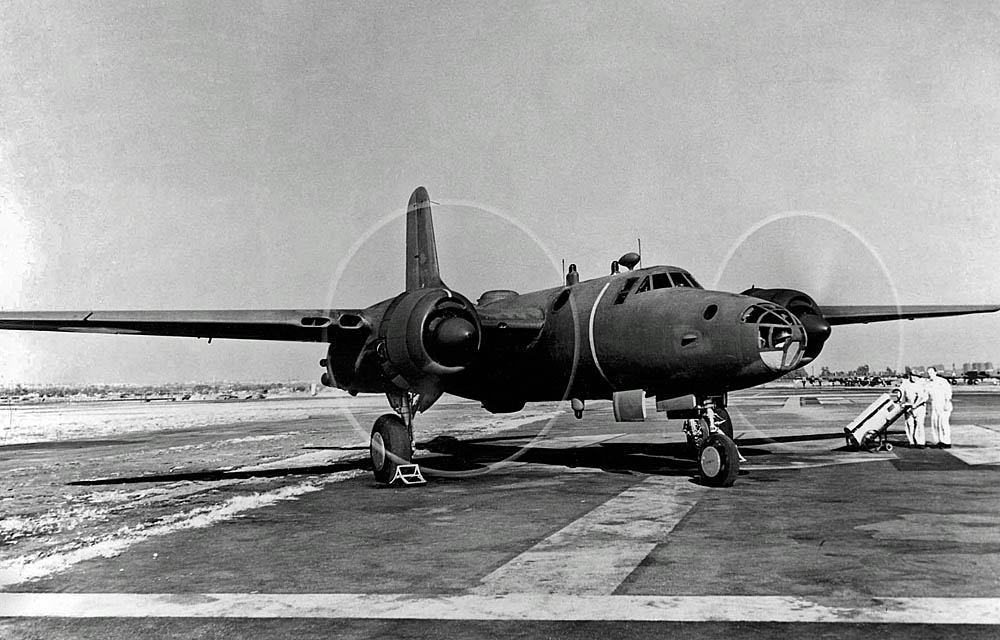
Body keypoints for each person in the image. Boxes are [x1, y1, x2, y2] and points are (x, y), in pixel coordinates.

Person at [925, 367, 953, 448]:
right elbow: (926, 394)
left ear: (936, 372)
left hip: (943, 404)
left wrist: (947, 402)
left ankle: (946, 442)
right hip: (935, 404)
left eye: (932, 373)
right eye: (929, 373)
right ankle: (938, 441)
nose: (930, 375)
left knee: (943, 424)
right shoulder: (929, 383)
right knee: (935, 424)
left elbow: (948, 392)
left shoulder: (942, 381)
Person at [898, 372, 928, 448]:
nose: (914, 378)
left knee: (919, 424)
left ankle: (920, 442)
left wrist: (915, 405)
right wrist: (902, 403)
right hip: (908, 406)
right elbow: (900, 394)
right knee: (909, 424)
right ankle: (911, 442)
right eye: (913, 376)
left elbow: (923, 396)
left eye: (916, 376)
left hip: (919, 407)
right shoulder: (905, 384)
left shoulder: (922, 384)